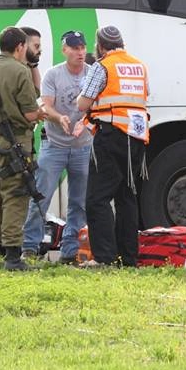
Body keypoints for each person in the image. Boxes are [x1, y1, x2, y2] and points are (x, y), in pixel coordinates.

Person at [0, 26, 46, 271]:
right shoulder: (21, 71)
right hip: (16, 143)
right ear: (20, 47)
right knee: (15, 197)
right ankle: (13, 257)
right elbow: (29, 112)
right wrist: (42, 115)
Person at [77, 25, 149, 267]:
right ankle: (129, 258)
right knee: (127, 197)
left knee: (97, 199)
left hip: (111, 135)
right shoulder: (139, 65)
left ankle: (104, 258)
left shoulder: (102, 66)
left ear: (100, 46)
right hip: (136, 136)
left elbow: (82, 103)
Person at [21, 30, 92, 264]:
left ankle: (70, 251)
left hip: (83, 147)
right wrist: (59, 117)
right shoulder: (53, 75)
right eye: (75, 48)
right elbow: (46, 106)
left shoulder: (92, 74)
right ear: (65, 50)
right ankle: (30, 247)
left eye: (82, 47)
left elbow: (96, 107)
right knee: (41, 196)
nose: (80, 52)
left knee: (79, 201)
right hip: (54, 145)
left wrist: (86, 122)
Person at [20, 26, 42, 92]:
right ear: (23, 45)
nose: (40, 50)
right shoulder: (18, 70)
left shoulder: (26, 67)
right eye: (36, 46)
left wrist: (33, 64)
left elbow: (36, 92)